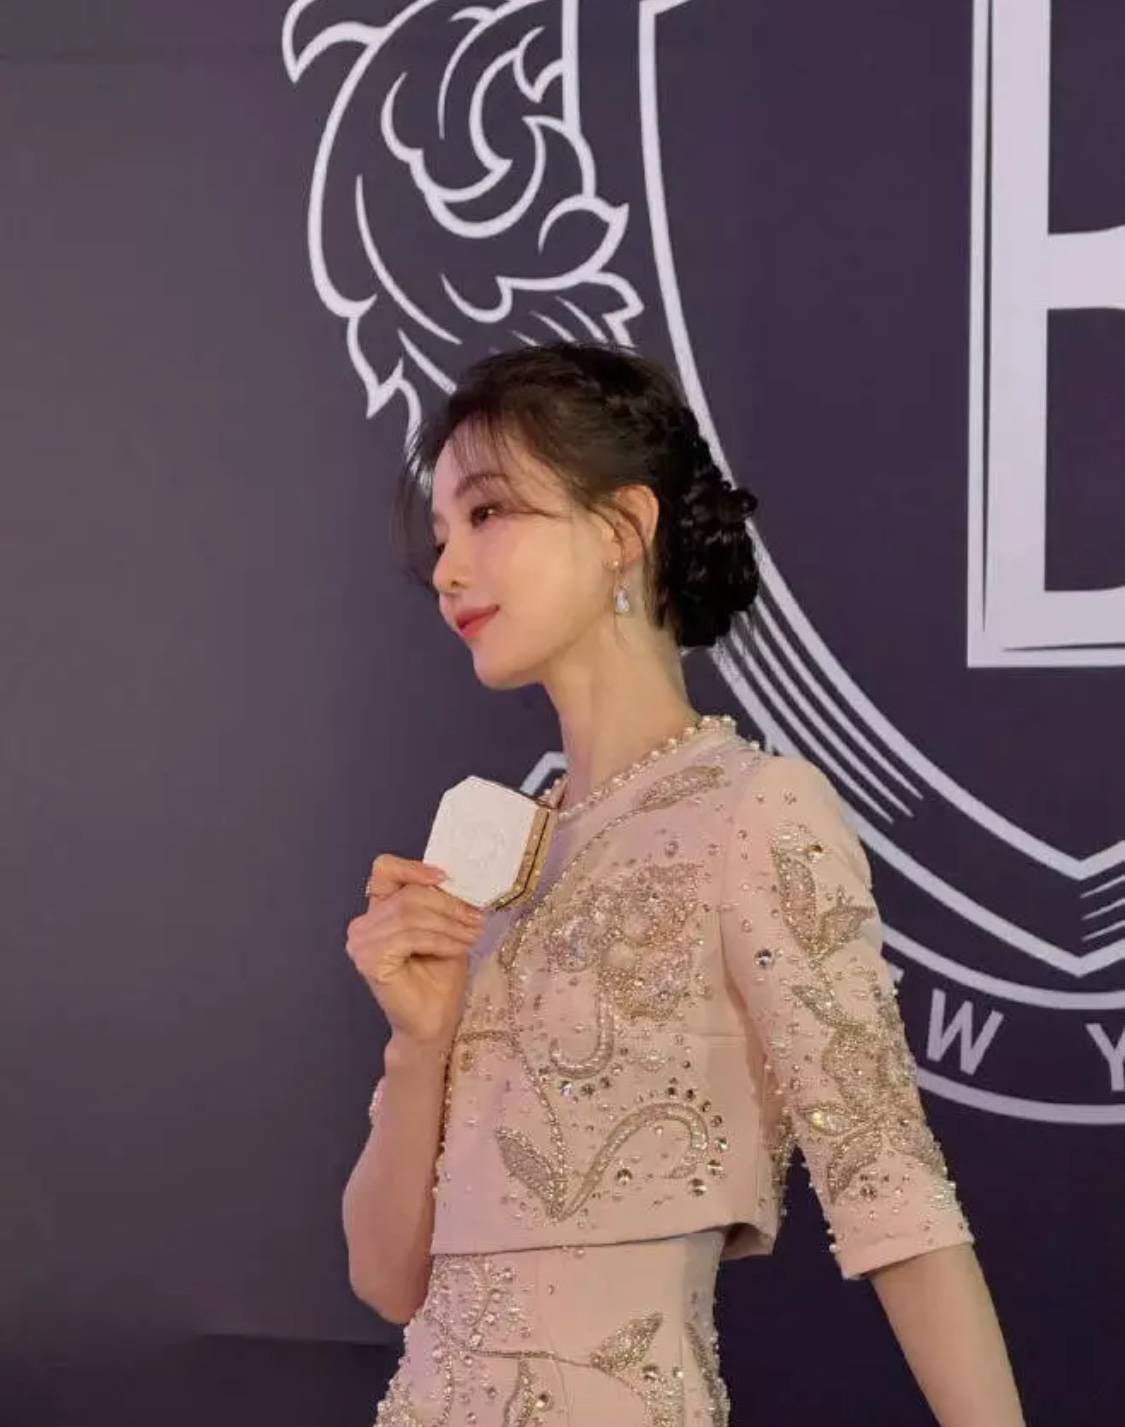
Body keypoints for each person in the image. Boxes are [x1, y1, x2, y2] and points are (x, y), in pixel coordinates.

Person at [342, 341, 1025, 1426]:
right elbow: (387, 1279)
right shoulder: (493, 857)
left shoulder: (754, 810)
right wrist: (417, 1043)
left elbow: (893, 1191)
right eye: (440, 536)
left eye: (488, 512)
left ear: (622, 528)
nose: (448, 570)